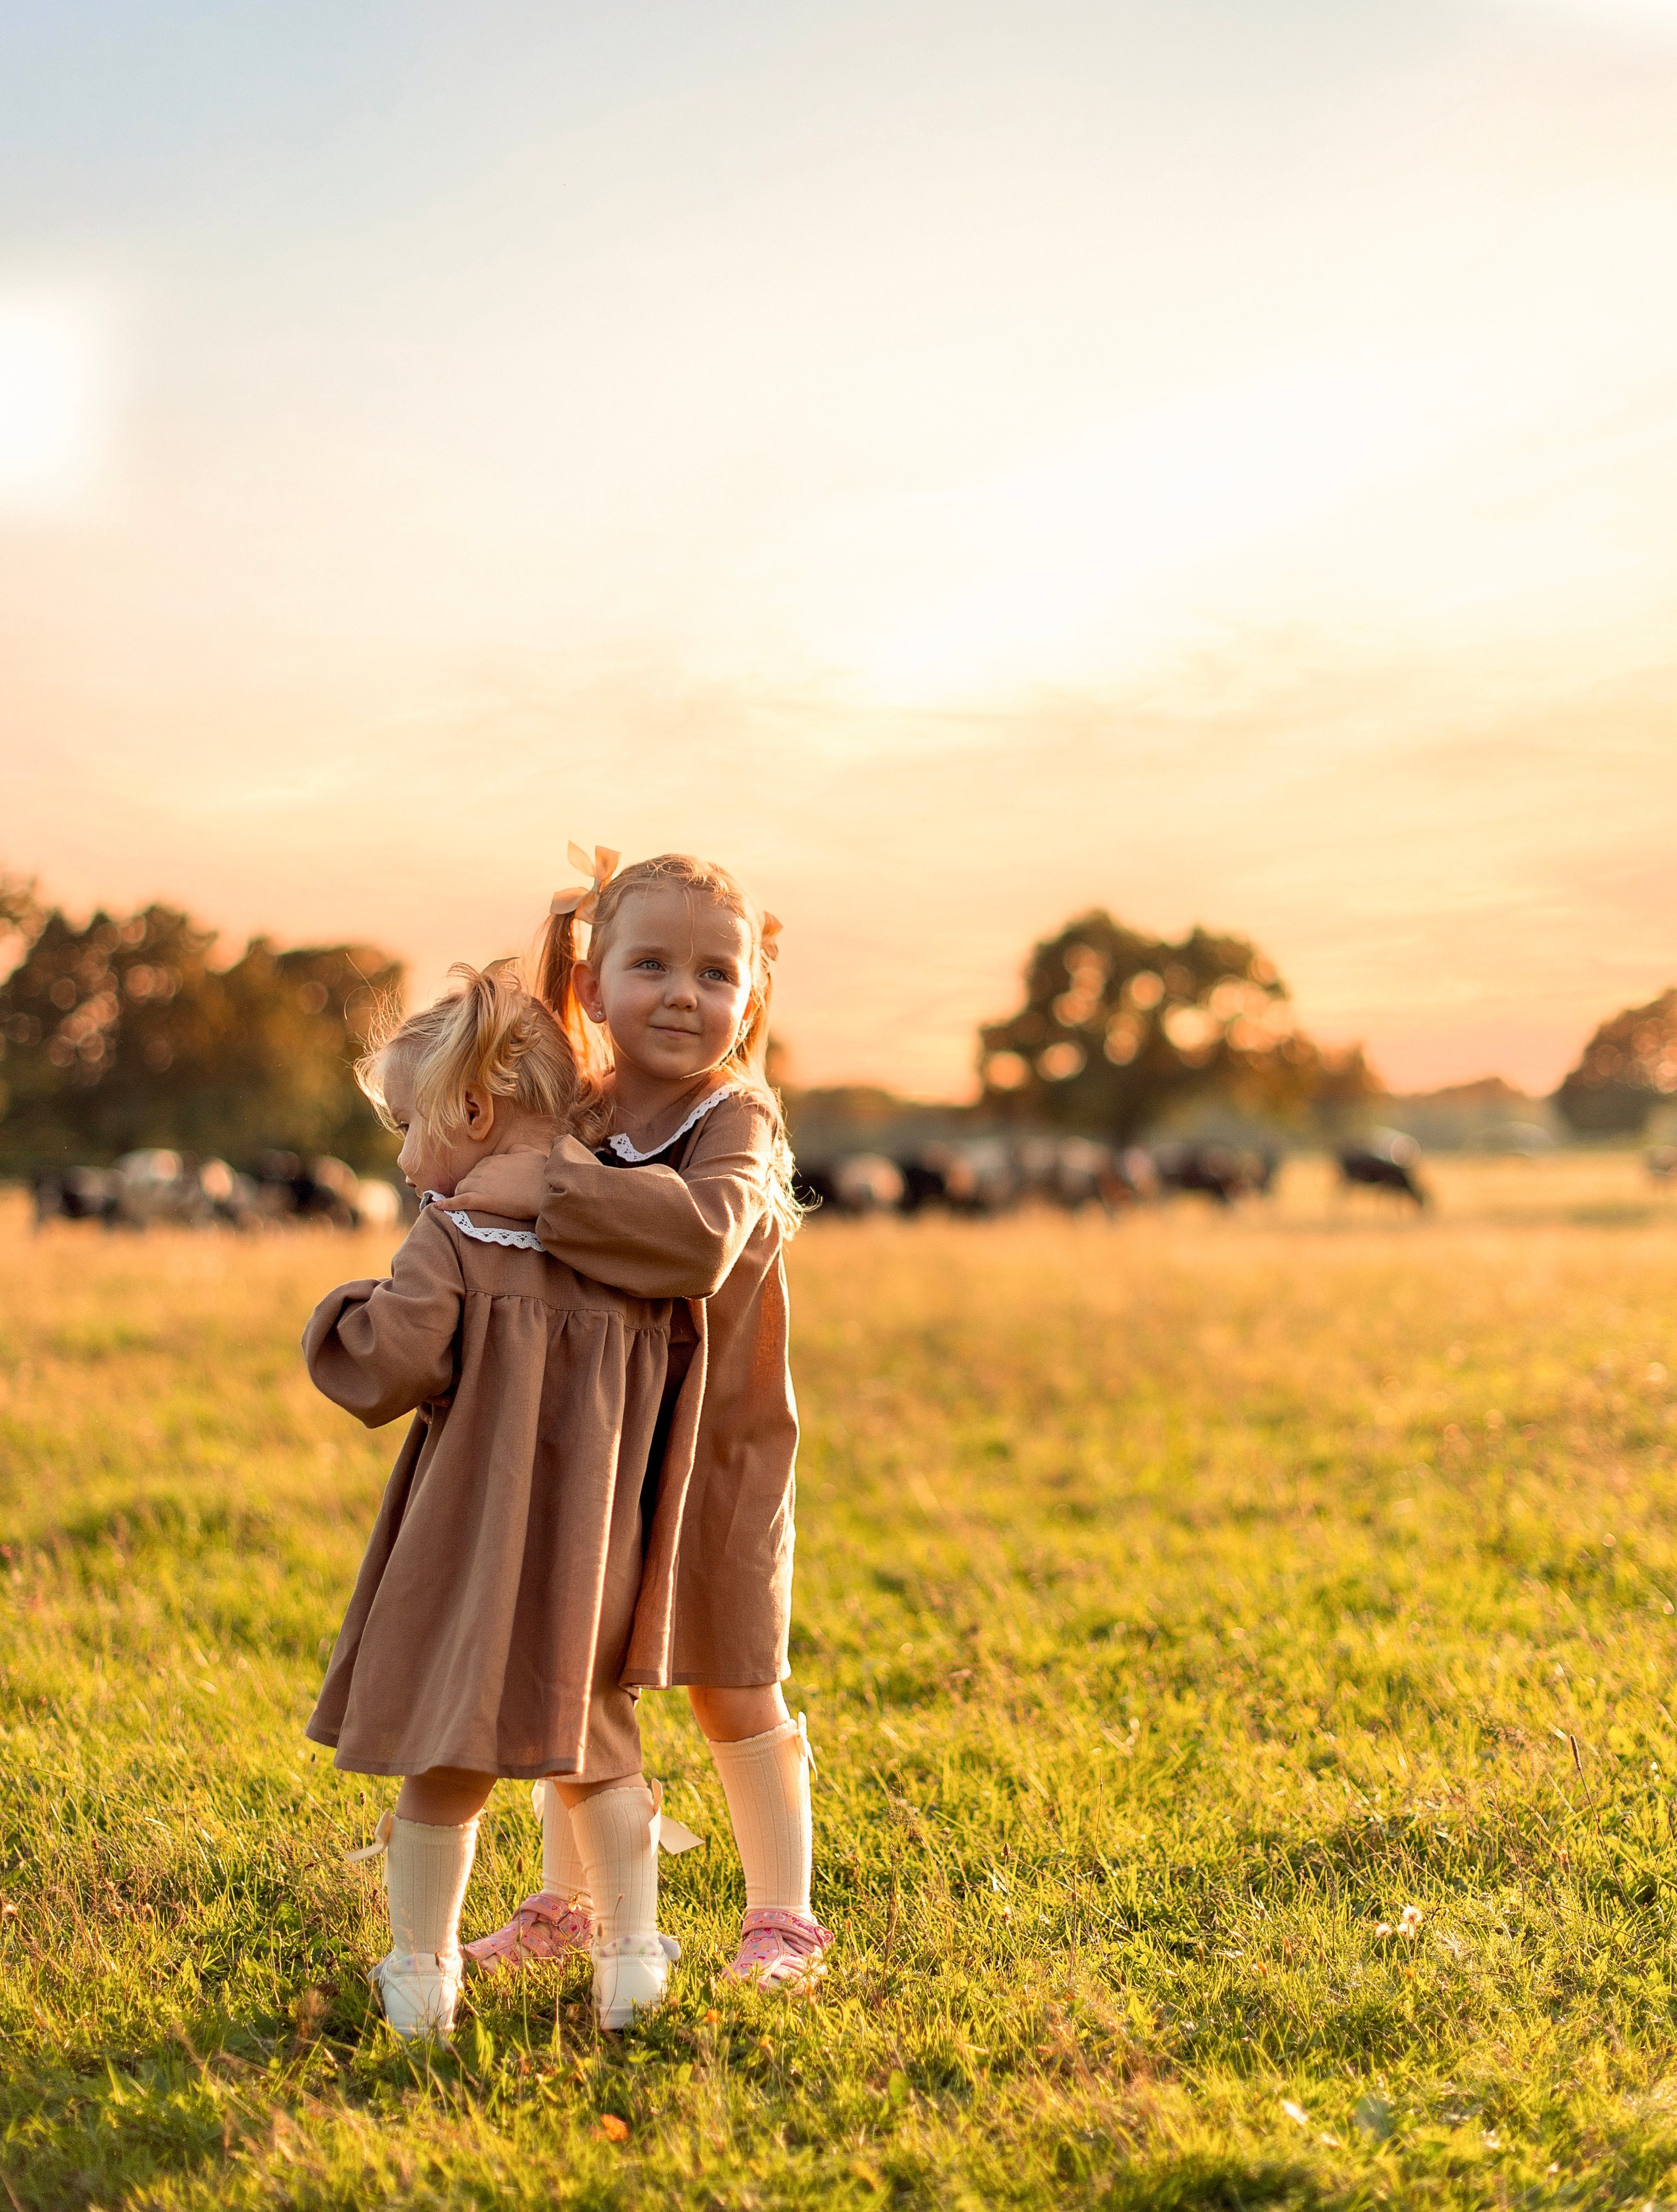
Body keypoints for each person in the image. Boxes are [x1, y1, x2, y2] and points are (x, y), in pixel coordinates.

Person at [449, 848, 831, 1991]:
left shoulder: (736, 1118)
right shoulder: (572, 1111)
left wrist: (552, 1189)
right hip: (593, 1443)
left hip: (715, 1450)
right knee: (574, 1667)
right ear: (593, 982)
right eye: (651, 964)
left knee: (733, 1675)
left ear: (749, 1000)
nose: (682, 994)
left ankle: (783, 1920)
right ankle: (572, 1902)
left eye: (716, 974)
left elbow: (700, 1238)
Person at [303, 962, 701, 2038]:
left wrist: (343, 1313)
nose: (402, 1158)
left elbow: (390, 1366)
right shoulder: (630, 1239)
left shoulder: (453, 1237)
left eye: (407, 1126)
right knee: (601, 1750)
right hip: (594, 1547)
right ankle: (631, 1962)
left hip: (467, 1543)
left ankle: (422, 1975)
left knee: (446, 1756)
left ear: (473, 1112)